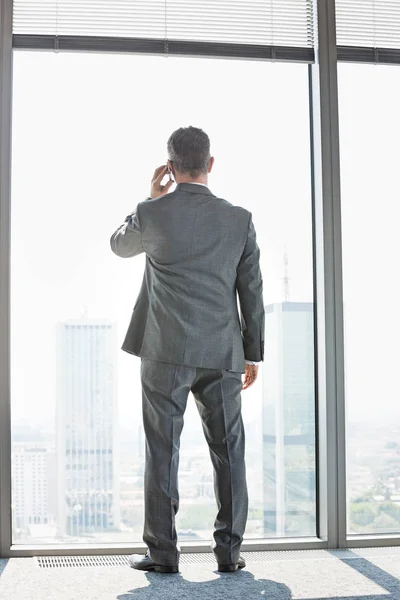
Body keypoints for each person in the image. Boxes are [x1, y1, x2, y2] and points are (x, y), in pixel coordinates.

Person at [110, 126, 264, 574]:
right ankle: (229, 554)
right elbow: (251, 289)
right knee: (228, 450)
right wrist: (251, 354)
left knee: (163, 449)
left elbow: (120, 246)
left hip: (164, 351)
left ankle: (163, 555)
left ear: (170, 168)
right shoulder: (239, 219)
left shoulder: (152, 212)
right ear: (211, 165)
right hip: (221, 351)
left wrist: (152, 199)